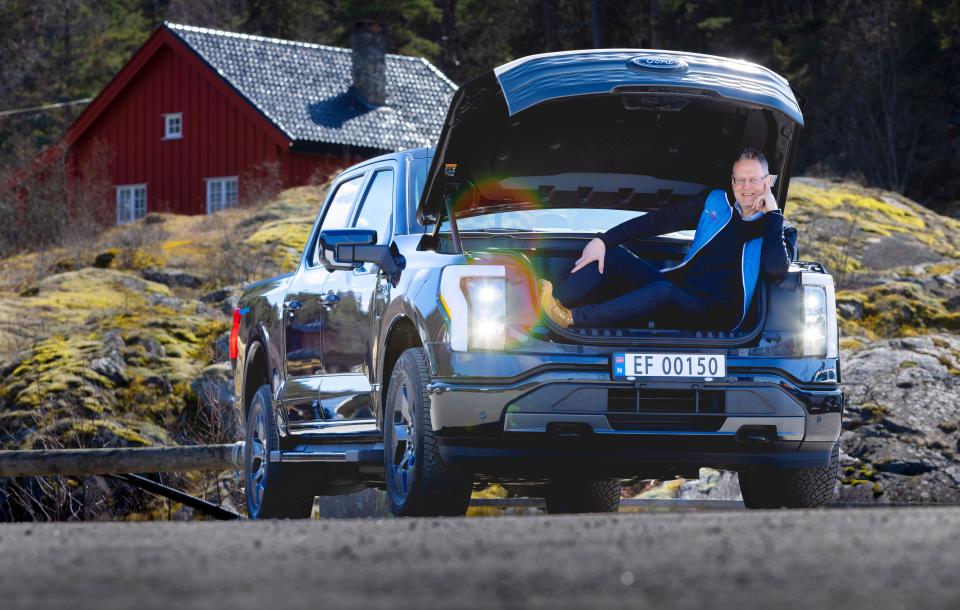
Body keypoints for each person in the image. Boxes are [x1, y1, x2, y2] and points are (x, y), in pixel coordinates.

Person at [539, 148, 795, 331]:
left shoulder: (778, 228)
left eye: (753, 180)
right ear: (732, 181)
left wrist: (772, 214)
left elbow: (775, 269)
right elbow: (660, 221)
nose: (746, 186)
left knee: (663, 291)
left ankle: (571, 319)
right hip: (681, 291)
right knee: (612, 254)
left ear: (767, 181)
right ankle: (546, 313)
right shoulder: (716, 202)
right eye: (740, 179)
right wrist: (604, 240)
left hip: (717, 314)